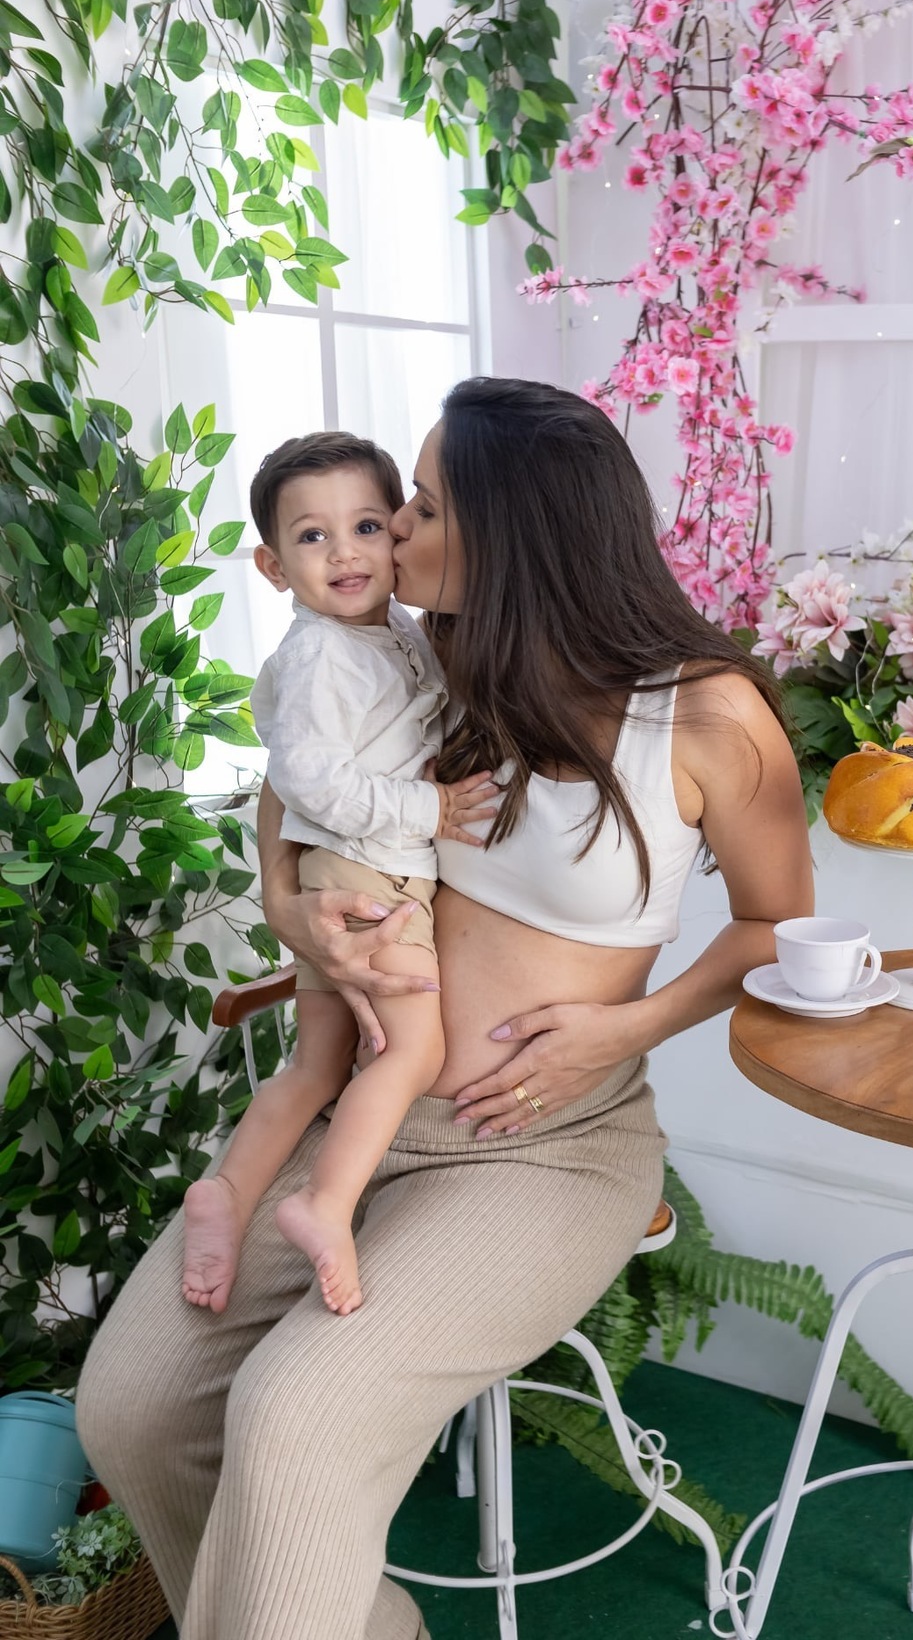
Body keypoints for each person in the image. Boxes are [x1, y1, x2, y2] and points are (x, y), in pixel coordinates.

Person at [76, 377, 814, 1640]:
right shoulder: (435, 655)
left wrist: (627, 1028)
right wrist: (287, 905)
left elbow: (780, 928)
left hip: (542, 1146)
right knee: (131, 1407)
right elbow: (295, 776)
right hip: (361, 1118)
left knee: (295, 1418)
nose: (391, 530)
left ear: (514, 531)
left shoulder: (705, 714)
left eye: (419, 504)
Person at [181, 431, 498, 1319]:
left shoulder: (390, 633)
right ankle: (326, 1202)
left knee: (318, 1061)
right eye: (312, 537)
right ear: (274, 567)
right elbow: (308, 779)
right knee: (412, 1050)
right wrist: (429, 809)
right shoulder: (324, 654)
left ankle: (226, 1194)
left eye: (365, 525)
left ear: (396, 533)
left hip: (347, 870)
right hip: (370, 873)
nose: (346, 553)